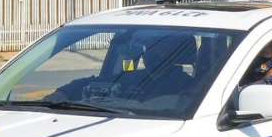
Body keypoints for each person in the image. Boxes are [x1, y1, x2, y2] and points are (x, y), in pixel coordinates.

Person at [43, 35, 194, 104]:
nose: (149, 52)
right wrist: (64, 92)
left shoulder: (187, 86)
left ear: (174, 54)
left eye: (158, 48)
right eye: (147, 48)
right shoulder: (130, 78)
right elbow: (94, 83)